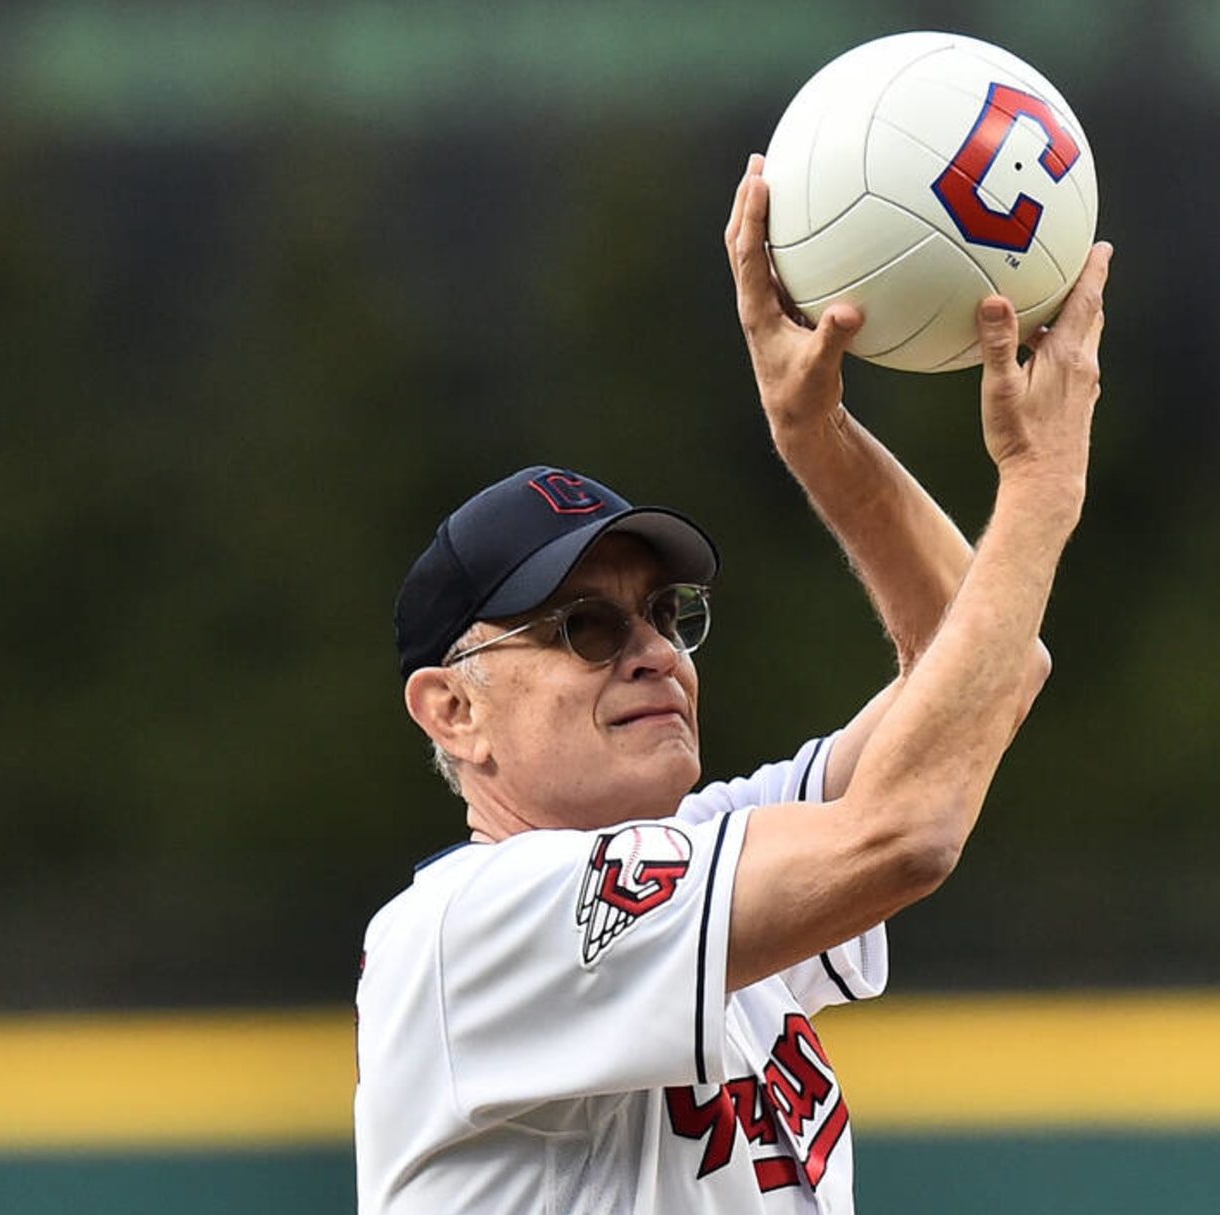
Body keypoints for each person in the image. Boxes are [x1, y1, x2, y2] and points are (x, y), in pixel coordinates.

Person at [354, 153, 1112, 1214]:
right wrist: (1038, 492)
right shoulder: (472, 926)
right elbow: (906, 830)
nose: (654, 650)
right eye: (586, 626)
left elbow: (985, 667)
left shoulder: (705, 852)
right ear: (454, 709)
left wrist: (818, 440)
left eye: (665, 614)